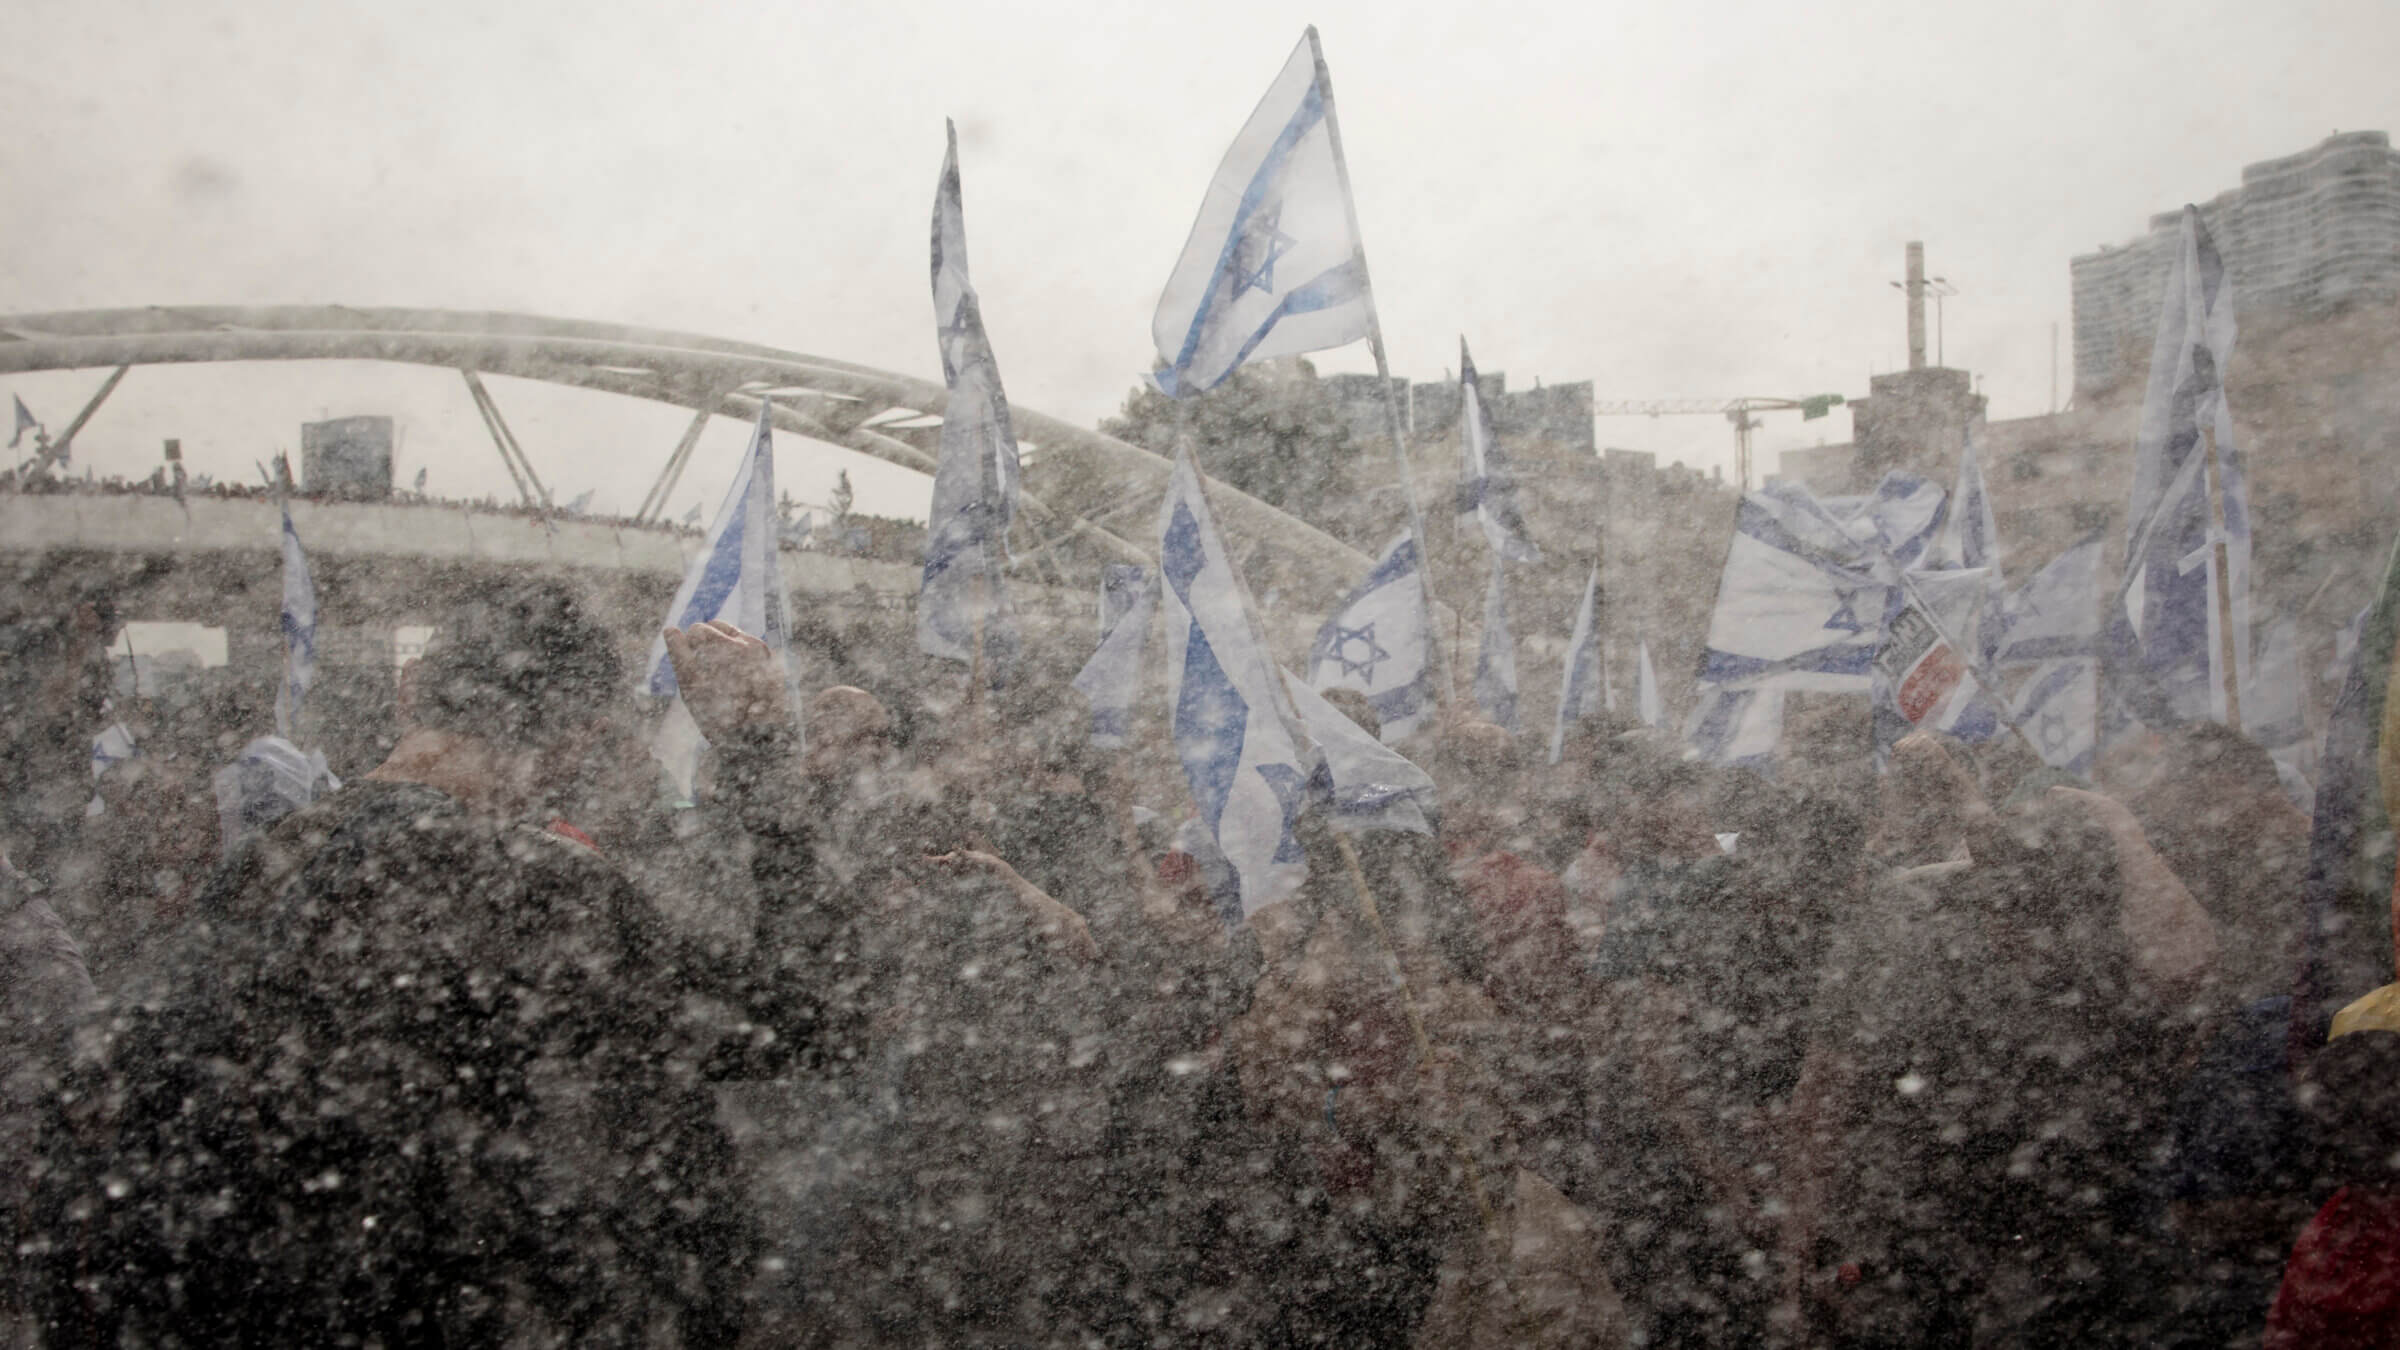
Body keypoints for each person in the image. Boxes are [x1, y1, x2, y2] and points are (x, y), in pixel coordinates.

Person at [21, 586, 815, 1346]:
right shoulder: (524, 883)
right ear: (583, 737)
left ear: (410, 696)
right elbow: (806, 1022)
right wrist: (763, 754)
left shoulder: (264, 864)